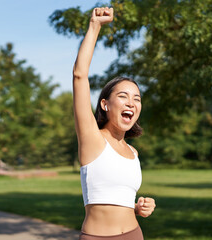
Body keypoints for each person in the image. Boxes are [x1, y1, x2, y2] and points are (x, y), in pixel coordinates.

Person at [73, 7, 156, 239]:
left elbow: (118, 197)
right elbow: (79, 76)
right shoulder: (93, 139)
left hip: (134, 233)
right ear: (105, 105)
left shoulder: (133, 152)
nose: (131, 103)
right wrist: (95, 26)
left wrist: (139, 208)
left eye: (136, 99)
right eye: (123, 96)